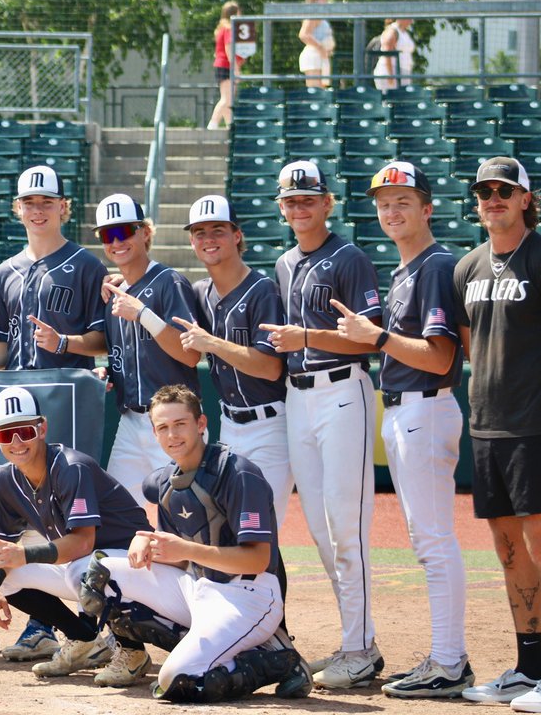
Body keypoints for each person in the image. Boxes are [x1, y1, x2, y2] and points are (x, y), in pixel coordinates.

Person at [329, 161, 472, 697]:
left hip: (426, 407)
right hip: (407, 410)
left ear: (427, 208)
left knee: (434, 542)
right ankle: (446, 658)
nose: (391, 211)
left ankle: (449, 662)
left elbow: (440, 358)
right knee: (427, 540)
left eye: (403, 202)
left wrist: (377, 337)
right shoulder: (406, 269)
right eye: (384, 203)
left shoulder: (435, 265)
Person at [79, 385, 311, 703]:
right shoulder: (164, 481)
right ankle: (206, 649)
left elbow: (258, 560)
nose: (172, 434)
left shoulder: (238, 474)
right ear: (154, 433)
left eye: (180, 424)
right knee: (101, 573)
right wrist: (144, 540)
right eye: (163, 427)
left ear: (201, 424)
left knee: (176, 680)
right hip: (199, 589)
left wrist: (186, 550)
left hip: (249, 597)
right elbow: (177, 558)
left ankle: (280, 660)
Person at [259, 160, 383, 688]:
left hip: (342, 390)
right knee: (321, 531)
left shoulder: (349, 257)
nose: (299, 207)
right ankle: (359, 643)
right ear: (282, 208)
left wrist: (306, 337)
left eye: (308, 199)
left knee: (345, 528)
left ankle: (359, 650)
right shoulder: (284, 262)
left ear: (327, 203)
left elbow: (369, 335)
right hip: (298, 397)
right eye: (291, 201)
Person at [0, 165, 109, 662]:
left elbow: (101, 340)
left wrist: (64, 342)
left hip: (65, 404)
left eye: (46, 202)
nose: (37, 210)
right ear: (18, 209)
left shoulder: (85, 264)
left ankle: (87, 624)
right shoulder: (4, 272)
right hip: (19, 406)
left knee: (67, 517)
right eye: (29, 202)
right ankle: (43, 627)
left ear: (63, 207)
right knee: (26, 513)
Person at [454, 157, 541, 712]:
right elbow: (471, 345)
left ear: (525, 199)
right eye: (484, 191)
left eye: (503, 190)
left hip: (539, 425)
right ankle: (529, 668)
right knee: (510, 550)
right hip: (487, 426)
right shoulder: (467, 268)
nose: (492, 198)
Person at [0, 385, 155, 687]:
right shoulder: (4, 480)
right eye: (7, 435)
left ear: (42, 428)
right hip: (89, 568)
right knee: (6, 577)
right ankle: (85, 641)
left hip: (136, 567)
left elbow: (83, 542)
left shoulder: (71, 467)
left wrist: (23, 555)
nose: (17, 442)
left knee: (84, 568)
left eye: (25, 431)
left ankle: (132, 651)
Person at [176, 195, 292, 526]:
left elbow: (269, 367)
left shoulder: (263, 290)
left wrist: (212, 343)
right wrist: (118, 281)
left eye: (218, 230)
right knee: (230, 527)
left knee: (262, 526)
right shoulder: (200, 291)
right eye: (199, 233)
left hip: (270, 424)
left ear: (237, 235)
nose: (208, 239)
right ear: (192, 242)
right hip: (228, 424)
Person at [92, 193, 200, 506]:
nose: (116, 241)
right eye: (108, 235)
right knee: (115, 510)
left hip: (173, 418)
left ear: (145, 232)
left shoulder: (170, 281)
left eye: (125, 231)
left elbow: (191, 354)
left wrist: (143, 314)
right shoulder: (114, 294)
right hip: (130, 421)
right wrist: (106, 372)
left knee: (187, 513)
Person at [207, 1, 243, 131]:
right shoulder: (229, 28)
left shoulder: (222, 28)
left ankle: (230, 125)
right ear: (234, 13)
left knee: (229, 99)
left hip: (222, 65)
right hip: (226, 66)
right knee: (226, 98)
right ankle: (213, 123)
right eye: (239, 12)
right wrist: (236, 68)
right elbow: (229, 49)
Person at [297, 0, 334, 89]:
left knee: (322, 88)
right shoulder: (312, 16)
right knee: (315, 89)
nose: (326, 2)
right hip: (313, 56)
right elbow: (303, 35)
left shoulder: (321, 17)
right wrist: (320, 47)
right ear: (314, 1)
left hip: (322, 56)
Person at [373, 18, 415, 92]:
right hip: (391, 72)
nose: (411, 21)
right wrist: (390, 76)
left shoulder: (404, 32)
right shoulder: (392, 31)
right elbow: (387, 53)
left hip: (402, 72)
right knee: (389, 97)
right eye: (408, 18)